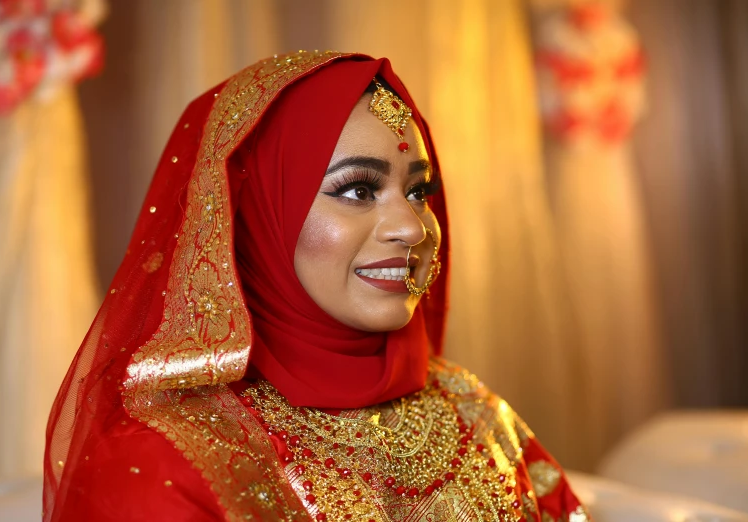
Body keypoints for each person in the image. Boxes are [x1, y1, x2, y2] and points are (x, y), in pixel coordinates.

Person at [43, 51, 589, 522]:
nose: (412, 227)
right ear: (256, 216)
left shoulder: (474, 412)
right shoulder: (168, 454)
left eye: (419, 191)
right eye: (356, 189)